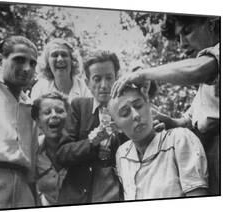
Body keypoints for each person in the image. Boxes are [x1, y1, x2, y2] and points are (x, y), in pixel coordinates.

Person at [111, 14, 220, 195]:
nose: (182, 44)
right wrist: (169, 121)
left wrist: (143, 74)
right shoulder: (205, 87)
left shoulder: (217, 57)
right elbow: (187, 121)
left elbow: (197, 69)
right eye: (178, 38)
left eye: (187, 32)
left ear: (211, 24)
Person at [108, 83, 208, 200]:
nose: (136, 115)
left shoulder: (179, 140)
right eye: (125, 113)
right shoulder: (122, 154)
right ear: (116, 127)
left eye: (139, 106)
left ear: (150, 106)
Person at [56, 50, 128, 204]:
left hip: (117, 191)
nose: (104, 85)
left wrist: (122, 132)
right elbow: (62, 154)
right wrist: (90, 143)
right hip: (79, 194)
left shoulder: (128, 109)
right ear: (88, 83)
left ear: (117, 79)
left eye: (109, 78)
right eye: (97, 79)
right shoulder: (79, 106)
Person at [0, 36, 39, 209]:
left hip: (24, 188)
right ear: (0, 60)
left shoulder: (31, 107)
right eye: (19, 60)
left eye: (32, 63)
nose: (27, 68)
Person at [31, 92, 71, 205]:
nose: (54, 115)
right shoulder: (33, 150)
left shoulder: (80, 147)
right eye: (47, 112)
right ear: (38, 122)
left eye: (60, 111)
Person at [31, 38, 92, 103]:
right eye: (55, 55)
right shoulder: (40, 88)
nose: (60, 59)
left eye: (64, 55)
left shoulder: (85, 88)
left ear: (72, 61)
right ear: (47, 63)